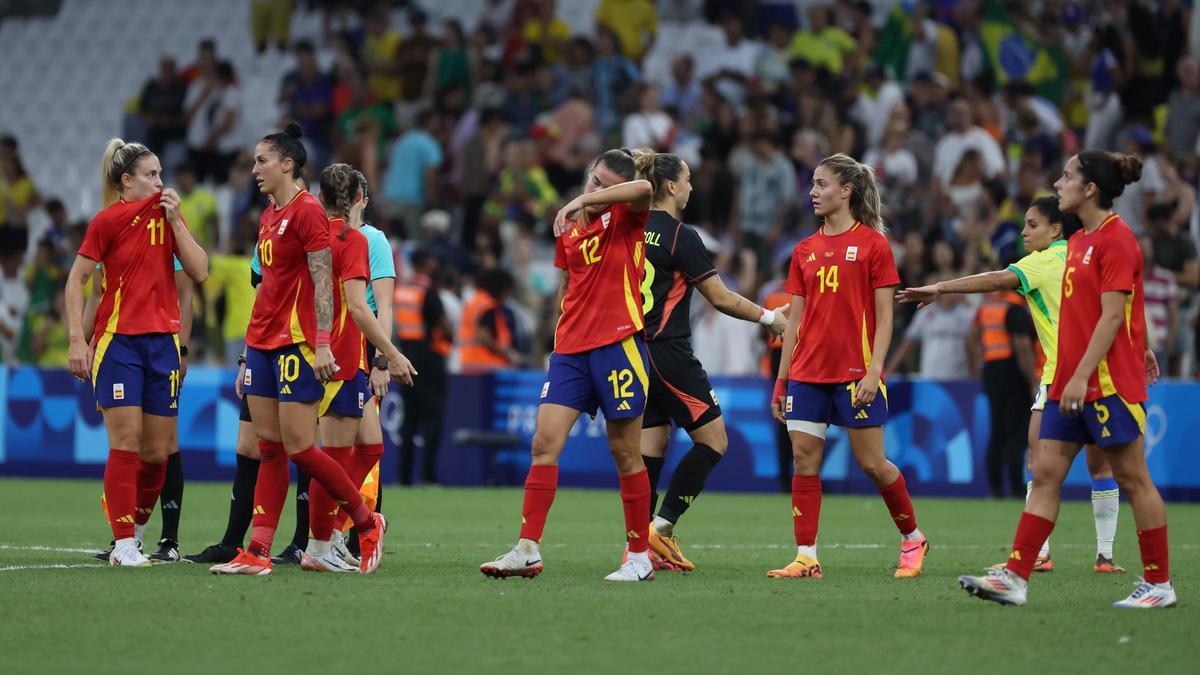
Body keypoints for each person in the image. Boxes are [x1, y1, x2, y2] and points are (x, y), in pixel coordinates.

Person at [958, 151, 1175, 608]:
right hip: (1068, 383)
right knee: (1045, 473)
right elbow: (1096, 309)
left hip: (1107, 383)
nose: (1058, 183)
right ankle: (1016, 576)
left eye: (1067, 176)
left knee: (1133, 479)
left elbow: (1116, 315)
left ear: (1089, 188)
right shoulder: (1077, 244)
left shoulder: (1118, 241)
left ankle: (1159, 584)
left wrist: (1093, 369)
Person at [900, 196, 1128, 573]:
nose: (1024, 231)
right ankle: (1105, 556)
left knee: (1038, 464)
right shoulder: (1086, 256)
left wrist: (940, 287)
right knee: (1102, 468)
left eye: (1032, 224)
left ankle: (1039, 553)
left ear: (1056, 229)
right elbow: (1118, 306)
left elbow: (994, 279)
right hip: (1101, 374)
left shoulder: (1041, 262)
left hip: (1060, 377)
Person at [209, 123, 386, 576]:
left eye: (262, 161)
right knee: (270, 449)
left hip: (297, 345)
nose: (254, 170)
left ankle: (366, 523)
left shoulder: (308, 212)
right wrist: (248, 353)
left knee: (301, 448)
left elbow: (323, 284)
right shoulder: (269, 215)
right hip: (261, 344)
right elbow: (267, 287)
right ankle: (257, 553)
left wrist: (323, 343)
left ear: (288, 164)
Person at [479, 147, 656, 582]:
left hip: (618, 345)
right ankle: (527, 549)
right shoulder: (569, 229)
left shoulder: (627, 217)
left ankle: (639, 556)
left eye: (606, 187)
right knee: (544, 443)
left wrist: (588, 200)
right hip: (571, 350)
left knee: (624, 451)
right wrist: (554, 339)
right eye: (593, 181)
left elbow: (646, 187)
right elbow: (566, 284)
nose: (595, 191)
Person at [768, 153, 927, 580]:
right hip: (806, 373)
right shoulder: (803, 250)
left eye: (821, 184)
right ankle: (806, 555)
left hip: (856, 374)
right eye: (812, 185)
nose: (813, 192)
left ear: (847, 191)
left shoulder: (875, 245)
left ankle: (913, 537)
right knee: (805, 461)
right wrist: (781, 381)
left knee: (873, 463)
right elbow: (794, 322)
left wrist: (875, 371)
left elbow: (886, 317)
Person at [637, 152, 788, 571]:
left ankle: (638, 547)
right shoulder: (680, 236)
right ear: (670, 186)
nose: (691, 187)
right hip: (668, 351)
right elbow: (720, 298)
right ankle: (660, 529)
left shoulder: (630, 229)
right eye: (686, 180)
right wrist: (770, 317)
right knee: (714, 440)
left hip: (632, 351)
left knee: (651, 449)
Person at [65, 138, 208, 567]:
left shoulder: (170, 218)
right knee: (126, 442)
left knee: (158, 451)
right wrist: (77, 339)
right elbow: (77, 283)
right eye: (151, 175)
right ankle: (123, 540)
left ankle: (137, 536)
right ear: (127, 181)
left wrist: (178, 222)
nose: (160, 182)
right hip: (119, 343)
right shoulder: (106, 222)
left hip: (162, 345)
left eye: (161, 174)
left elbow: (200, 271)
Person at [301, 163, 416, 572]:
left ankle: (330, 532)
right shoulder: (350, 241)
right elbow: (362, 307)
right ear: (358, 199)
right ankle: (321, 542)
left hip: (327, 346)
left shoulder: (315, 235)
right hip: (340, 349)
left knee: (369, 445)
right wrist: (391, 355)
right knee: (330, 455)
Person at [967, 289, 1037, 498]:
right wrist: (1032, 380)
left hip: (991, 369)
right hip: (1012, 372)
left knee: (998, 430)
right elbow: (1022, 346)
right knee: (1016, 430)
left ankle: (996, 486)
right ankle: (1016, 486)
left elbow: (970, 338)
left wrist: (976, 367)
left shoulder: (987, 306)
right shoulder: (1015, 308)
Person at [394, 248, 452, 486]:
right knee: (432, 419)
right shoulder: (428, 290)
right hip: (429, 360)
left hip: (406, 357)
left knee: (409, 421)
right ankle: (428, 475)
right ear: (427, 263)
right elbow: (444, 325)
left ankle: (404, 476)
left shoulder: (402, 290)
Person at [458, 269, 519, 374]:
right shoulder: (488, 305)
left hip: (469, 364)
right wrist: (506, 354)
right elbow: (483, 336)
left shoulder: (474, 302)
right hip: (488, 366)